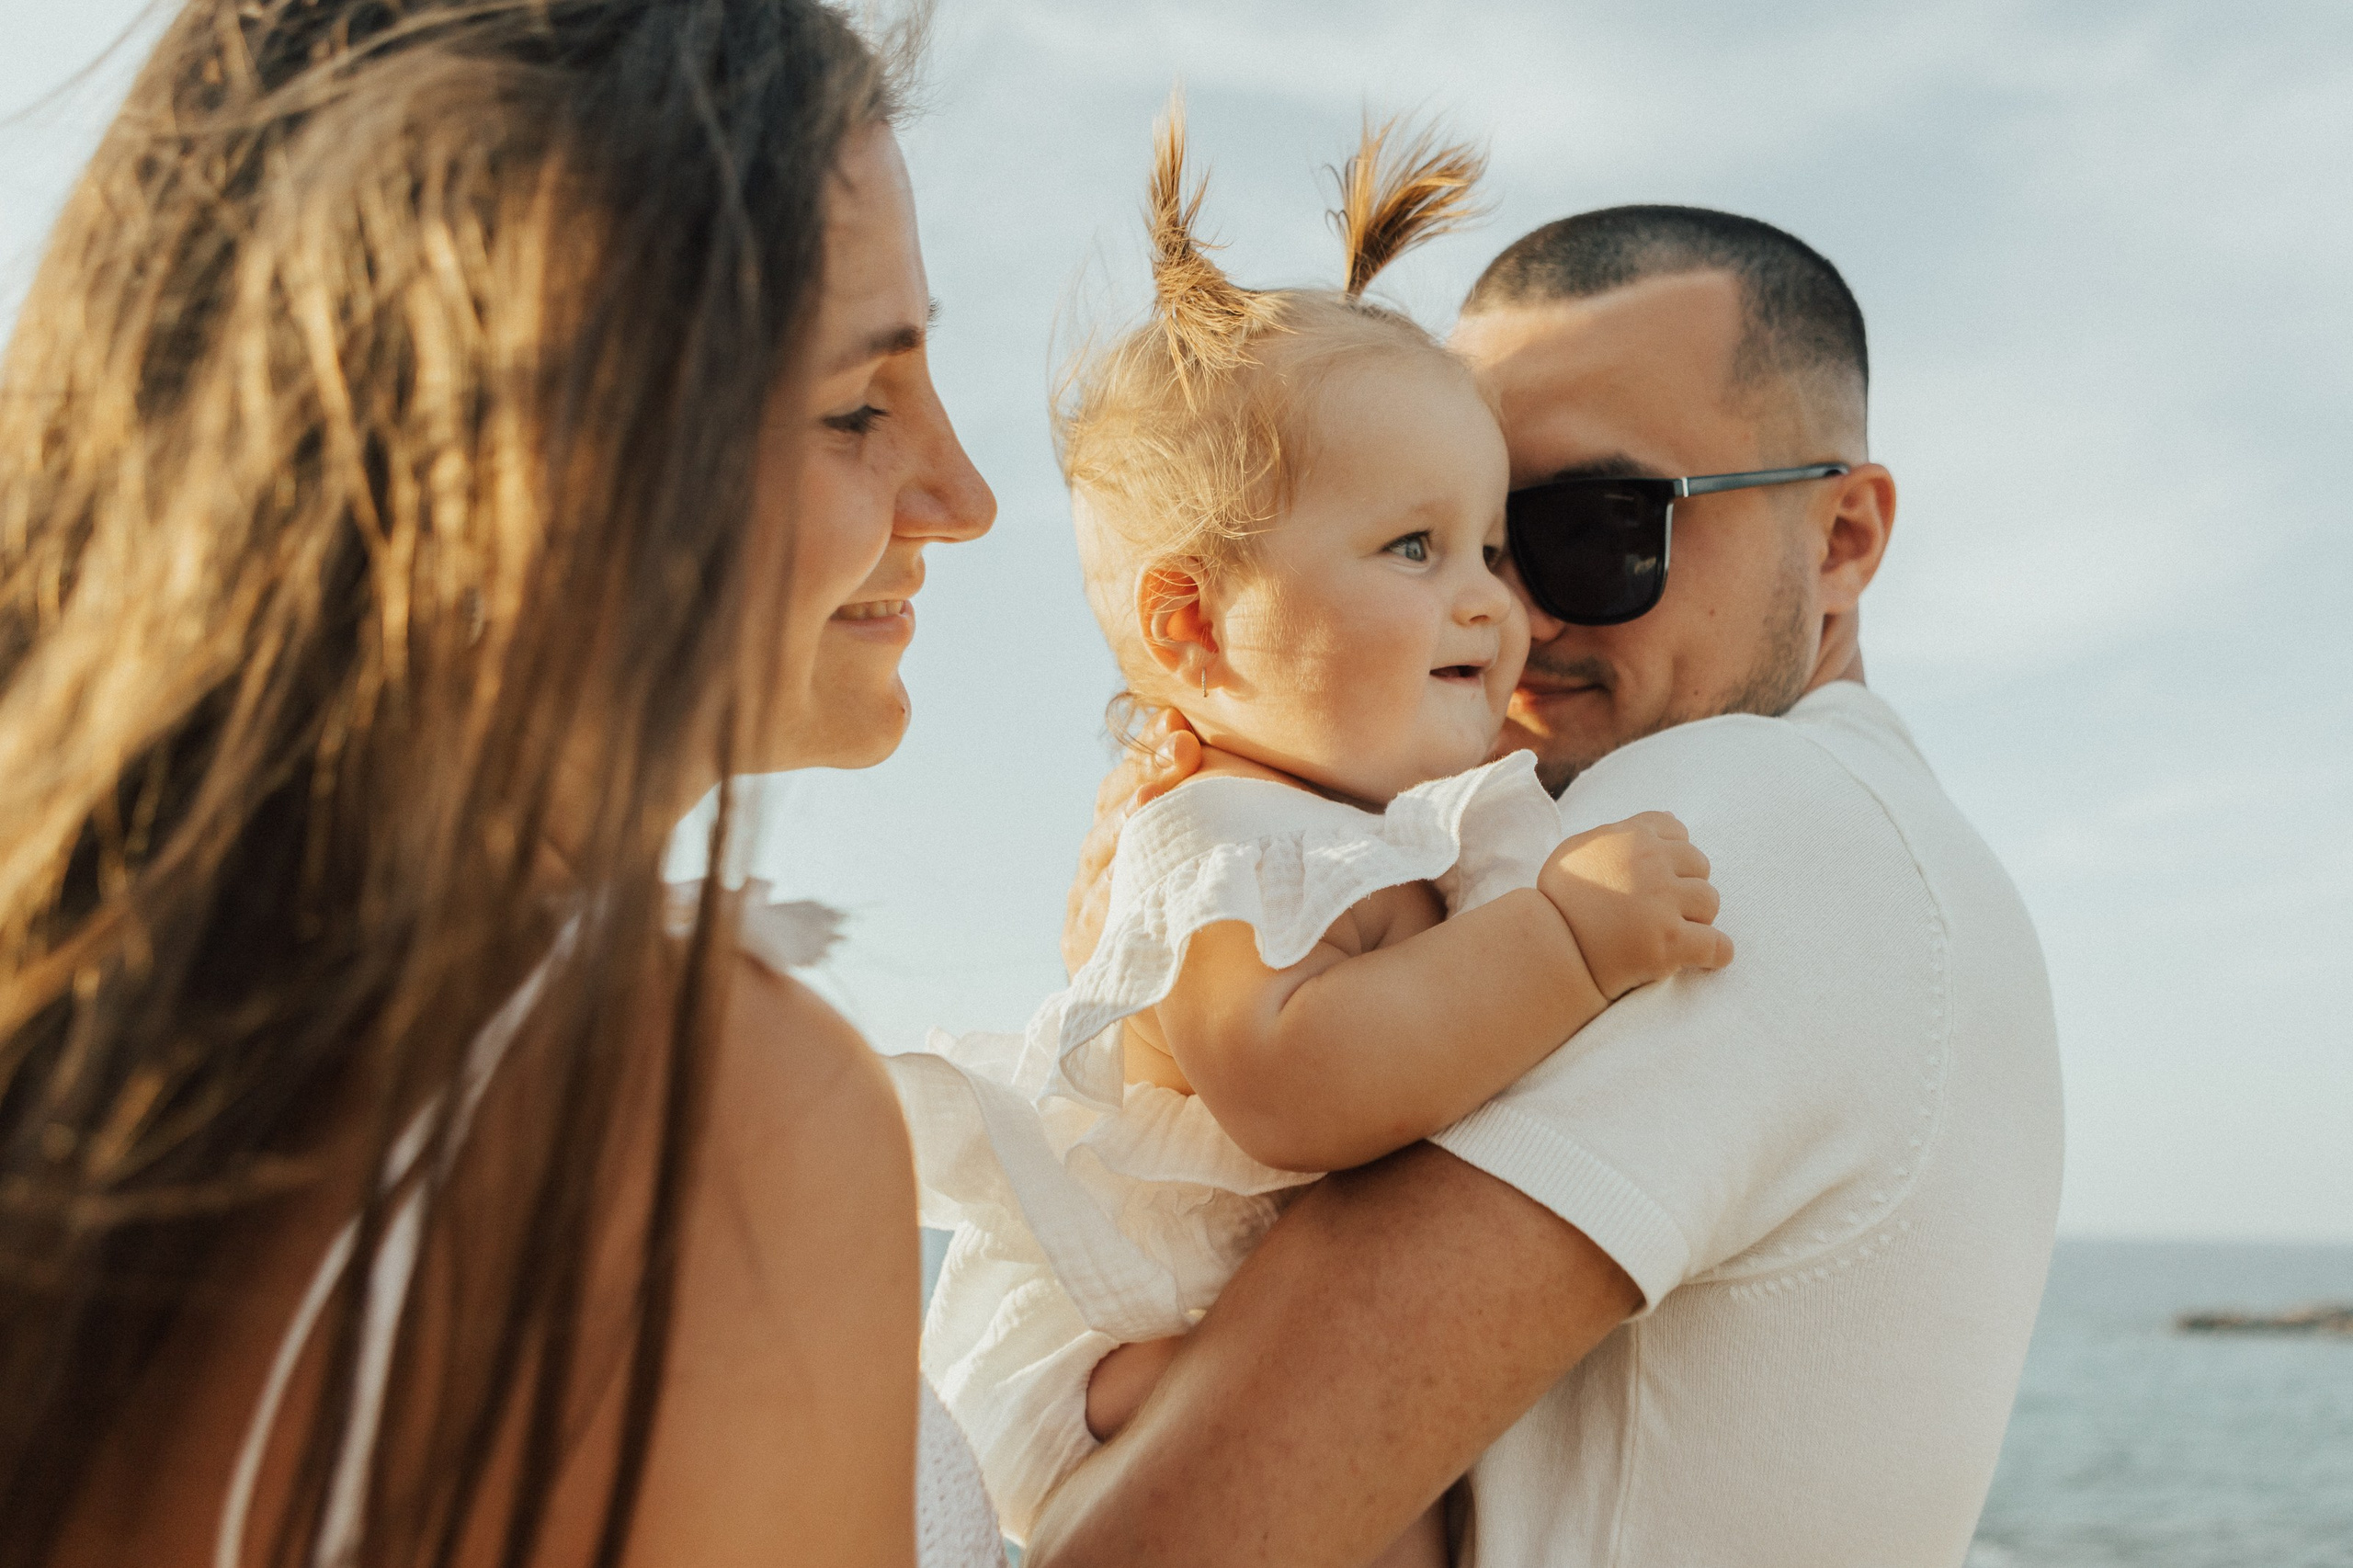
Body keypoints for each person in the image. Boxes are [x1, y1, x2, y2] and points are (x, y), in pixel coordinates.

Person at [0, 4, 995, 1566]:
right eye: (860, 404)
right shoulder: (693, 1123)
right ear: (528, 432)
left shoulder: (99, 1037)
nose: (966, 498)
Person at [1029, 208, 2063, 1567]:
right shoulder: (1911, 855)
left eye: (1599, 526)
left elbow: (1177, 1542)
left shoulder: (1736, 822)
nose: (1508, 612)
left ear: (1846, 535)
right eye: (1438, 536)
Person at [887, 108, 1732, 1567]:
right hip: (1114, 1361)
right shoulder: (1214, 840)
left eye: (1488, 547)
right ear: (1196, 625)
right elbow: (1295, 1083)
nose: (1490, 602)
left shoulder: (1366, 821)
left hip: (1230, 1336)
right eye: (1415, 548)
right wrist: (1567, 940)